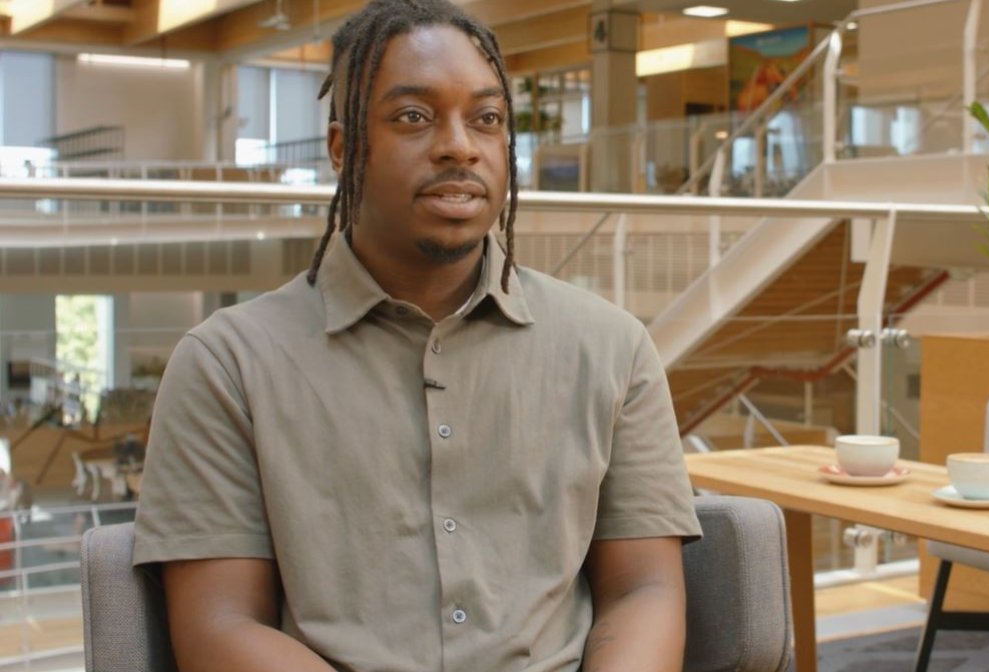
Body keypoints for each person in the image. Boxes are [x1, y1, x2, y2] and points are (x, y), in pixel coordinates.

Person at [131, 2, 701, 671]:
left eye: (485, 119)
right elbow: (217, 624)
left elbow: (644, 589)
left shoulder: (611, 347)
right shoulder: (227, 363)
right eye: (413, 116)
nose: (459, 145)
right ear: (343, 149)